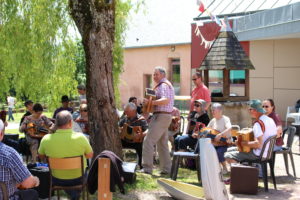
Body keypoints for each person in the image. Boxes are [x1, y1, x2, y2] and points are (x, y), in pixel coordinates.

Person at [38, 111, 93, 200]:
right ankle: (74, 195)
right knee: (84, 174)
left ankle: (73, 195)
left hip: (56, 179)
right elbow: (90, 155)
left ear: (56, 123)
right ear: (71, 123)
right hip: (78, 179)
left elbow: (41, 156)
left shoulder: (46, 139)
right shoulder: (80, 137)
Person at [141, 66, 174, 175]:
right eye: (154, 74)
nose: (154, 76)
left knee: (148, 141)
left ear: (163, 75)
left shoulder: (164, 85)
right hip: (163, 116)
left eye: (157, 74)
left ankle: (147, 168)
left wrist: (151, 103)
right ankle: (166, 169)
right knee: (162, 143)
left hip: (161, 116)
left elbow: (166, 100)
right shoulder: (163, 85)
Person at [225, 99, 277, 165]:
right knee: (230, 150)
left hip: (259, 154)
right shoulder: (270, 120)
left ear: (255, 110)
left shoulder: (258, 124)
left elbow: (258, 144)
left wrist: (242, 143)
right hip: (267, 153)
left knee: (228, 155)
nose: (249, 111)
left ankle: (240, 173)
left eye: (250, 109)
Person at [0, 119, 40, 200]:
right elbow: (28, 183)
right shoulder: (9, 154)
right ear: (1, 134)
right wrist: (36, 181)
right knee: (32, 193)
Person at [119, 102, 148, 169]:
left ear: (134, 111)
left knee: (140, 146)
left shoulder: (141, 119)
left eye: (127, 111)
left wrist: (141, 135)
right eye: (125, 111)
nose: (126, 113)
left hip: (136, 142)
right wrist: (121, 130)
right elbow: (118, 126)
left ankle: (141, 166)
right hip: (125, 141)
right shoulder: (125, 118)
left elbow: (147, 130)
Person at [206, 103, 232, 174]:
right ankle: (215, 168)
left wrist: (220, 134)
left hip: (224, 142)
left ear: (220, 111)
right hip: (214, 143)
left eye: (214, 110)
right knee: (207, 150)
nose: (212, 112)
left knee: (219, 152)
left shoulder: (225, 119)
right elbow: (207, 129)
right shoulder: (213, 120)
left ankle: (225, 168)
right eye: (212, 110)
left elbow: (229, 128)